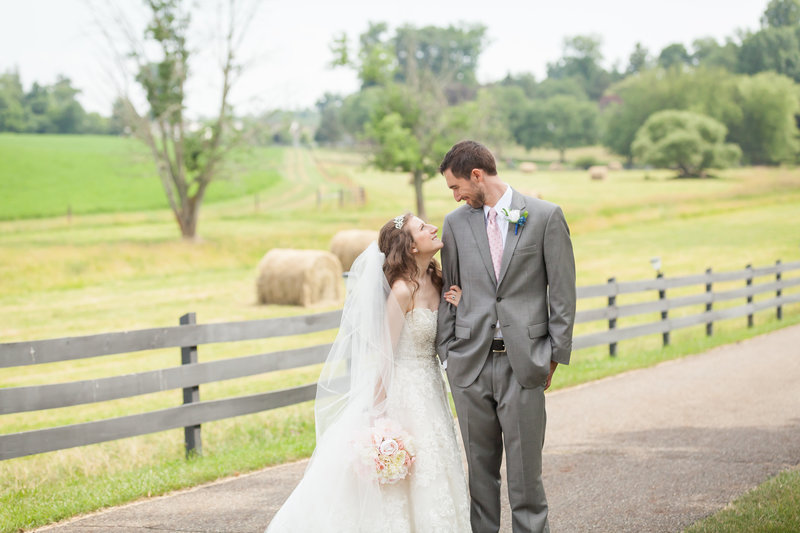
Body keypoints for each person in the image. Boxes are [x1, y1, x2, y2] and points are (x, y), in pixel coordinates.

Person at [266, 213, 470, 533]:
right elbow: (384, 358)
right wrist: (379, 417)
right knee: (405, 474)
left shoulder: (440, 280)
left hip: (431, 388)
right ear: (411, 247)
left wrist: (461, 305)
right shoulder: (402, 292)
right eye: (422, 228)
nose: (433, 228)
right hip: (402, 392)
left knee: (436, 464)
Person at [436, 140, 576, 533]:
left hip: (524, 364)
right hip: (470, 365)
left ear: (477, 176)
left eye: (455, 186)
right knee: (479, 480)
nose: (455, 196)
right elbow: (451, 288)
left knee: (526, 480)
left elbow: (562, 293)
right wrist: (448, 354)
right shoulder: (455, 224)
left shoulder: (545, 217)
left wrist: (552, 356)